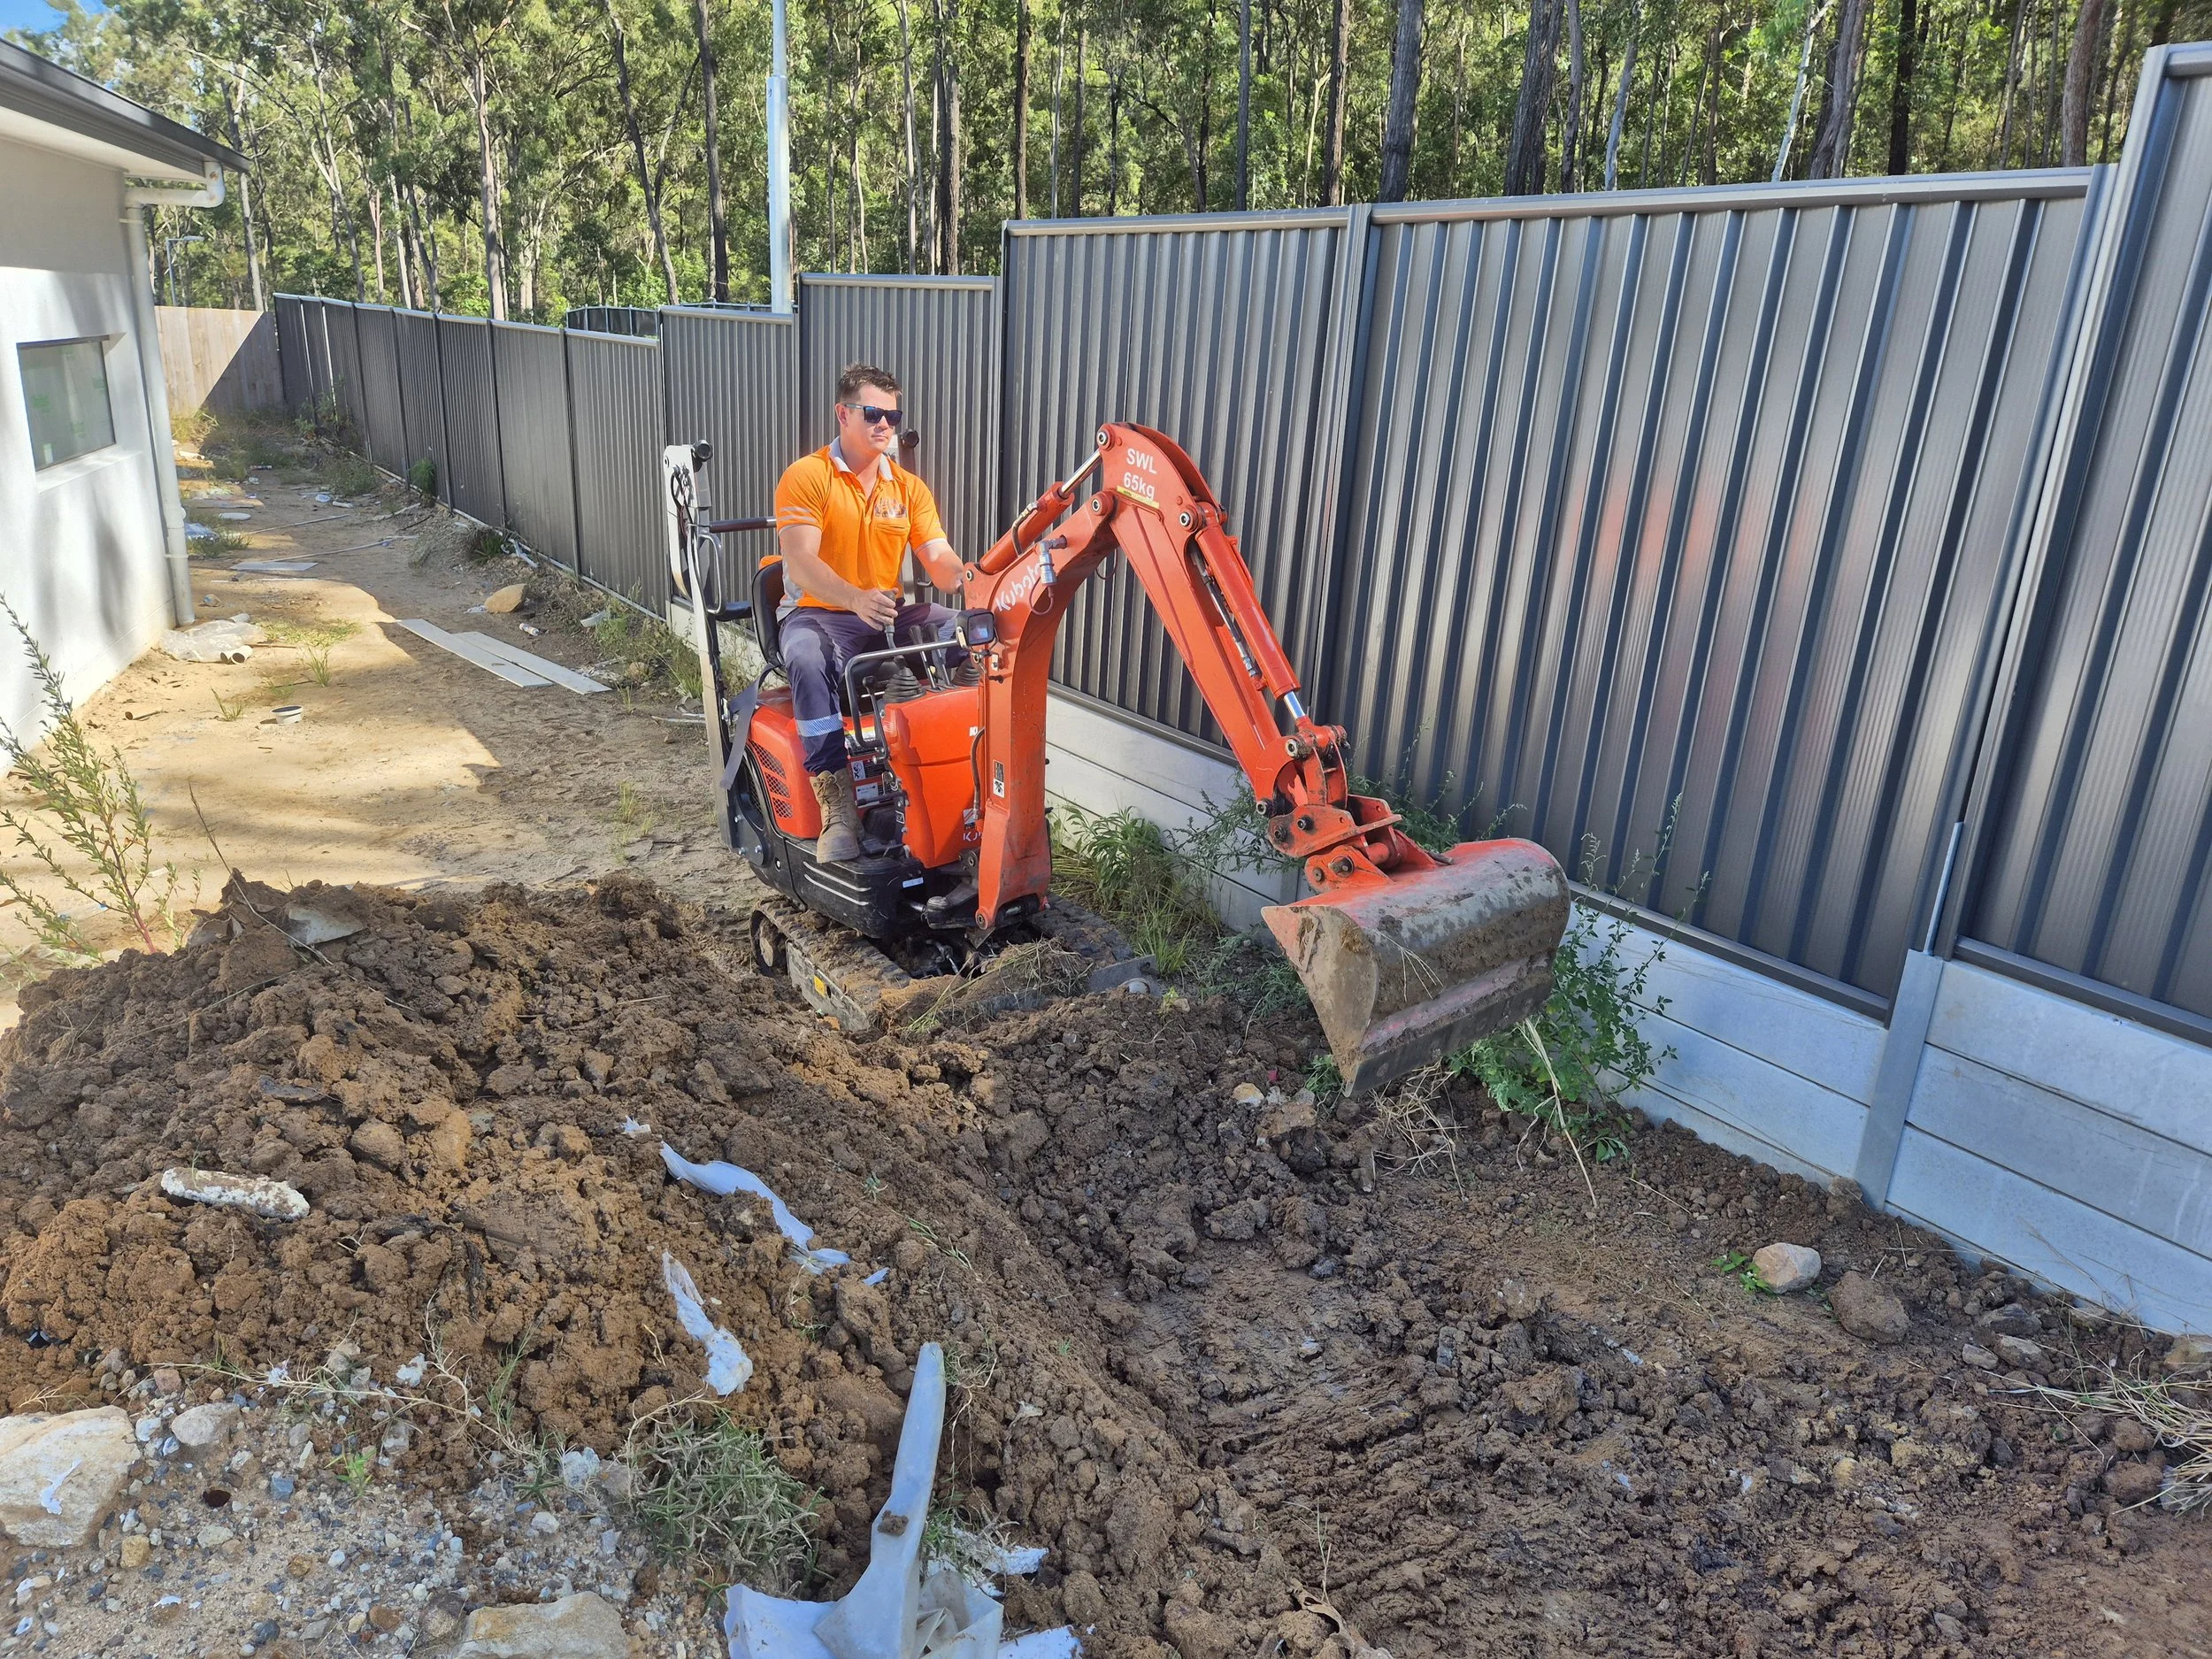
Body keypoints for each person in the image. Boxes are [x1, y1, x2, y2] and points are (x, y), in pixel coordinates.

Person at [771, 362, 970, 864]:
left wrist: (973, 578)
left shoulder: (908, 489)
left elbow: (939, 559)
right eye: (874, 413)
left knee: (962, 632)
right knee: (807, 659)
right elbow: (801, 561)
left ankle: (958, 774)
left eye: (893, 415)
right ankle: (836, 802)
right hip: (818, 613)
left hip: (883, 612)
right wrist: (854, 597)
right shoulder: (807, 477)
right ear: (843, 413)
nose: (885, 424)